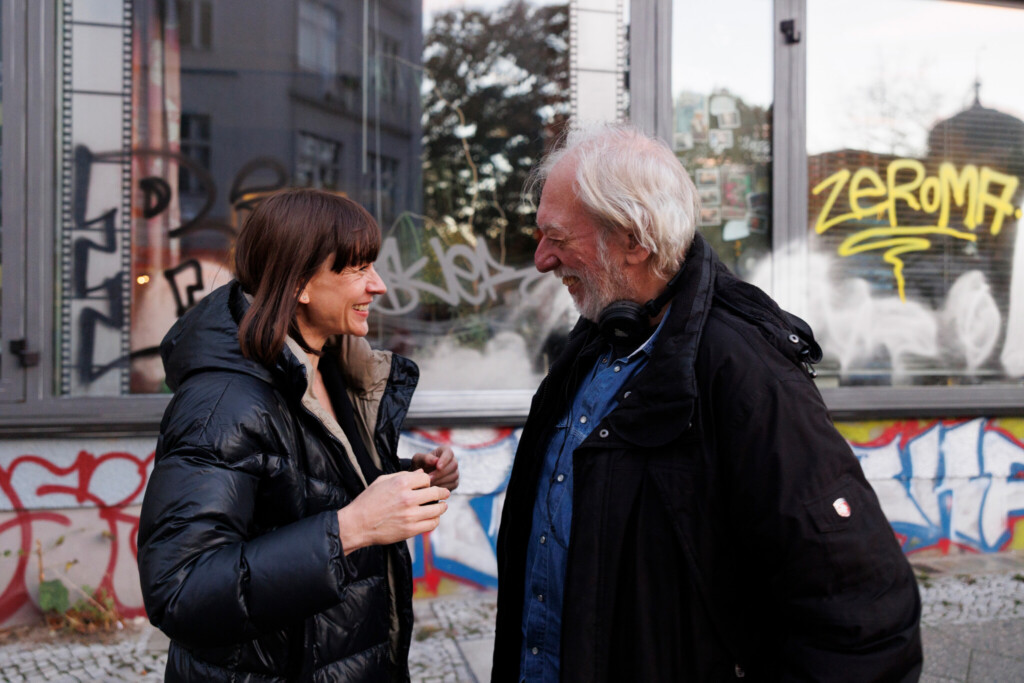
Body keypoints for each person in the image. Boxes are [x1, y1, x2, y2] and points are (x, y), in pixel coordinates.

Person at [491, 124, 922, 682]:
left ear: (632, 240)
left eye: (557, 237)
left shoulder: (747, 373)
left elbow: (863, 617)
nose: (542, 259)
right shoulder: (597, 339)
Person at [137, 188, 459, 682]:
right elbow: (180, 588)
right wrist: (353, 527)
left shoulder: (326, 369)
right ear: (300, 283)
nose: (379, 286)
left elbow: (298, 492)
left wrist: (404, 480)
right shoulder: (222, 404)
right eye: (358, 269)